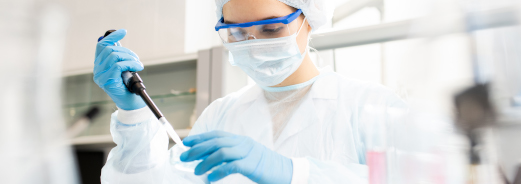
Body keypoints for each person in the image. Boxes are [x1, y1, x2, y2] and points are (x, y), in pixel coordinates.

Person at [93, 0, 406, 183]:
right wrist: (134, 113)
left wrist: (294, 173)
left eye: (271, 29)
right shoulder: (219, 116)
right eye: (237, 33)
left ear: (308, 19)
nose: (254, 46)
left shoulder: (371, 107)